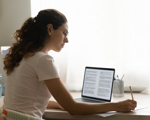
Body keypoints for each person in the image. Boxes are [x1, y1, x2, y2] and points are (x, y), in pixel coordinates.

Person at [3, 9, 137, 119]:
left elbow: (26, 101)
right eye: (64, 33)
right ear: (50, 29)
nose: (66, 40)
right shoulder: (43, 60)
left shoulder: (23, 56)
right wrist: (116, 106)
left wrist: (61, 104)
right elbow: (73, 108)